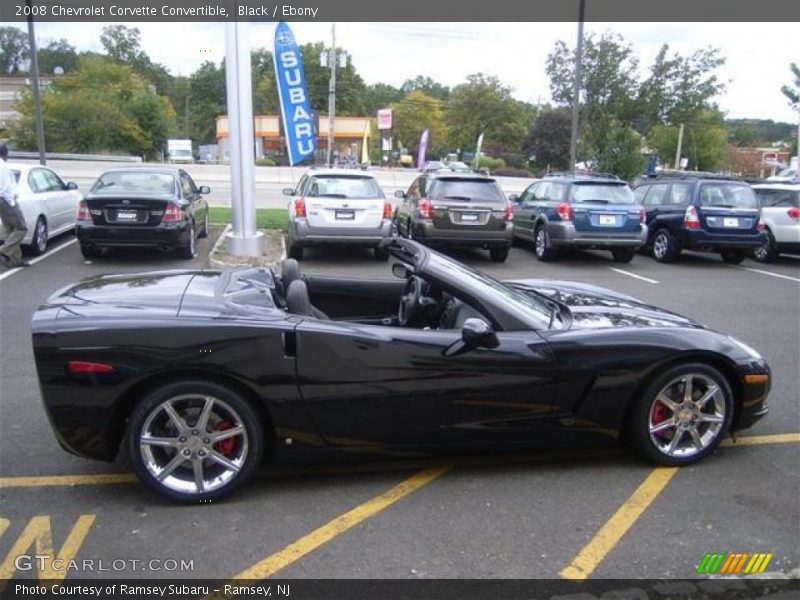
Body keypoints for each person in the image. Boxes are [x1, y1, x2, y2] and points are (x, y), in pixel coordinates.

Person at [0, 143, 29, 268]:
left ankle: (15, 260)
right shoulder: (3, 166)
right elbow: (5, 187)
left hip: (2, 201)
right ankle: (4, 251)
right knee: (21, 228)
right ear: (5, 154)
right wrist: (11, 199)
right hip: (6, 200)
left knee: (11, 229)